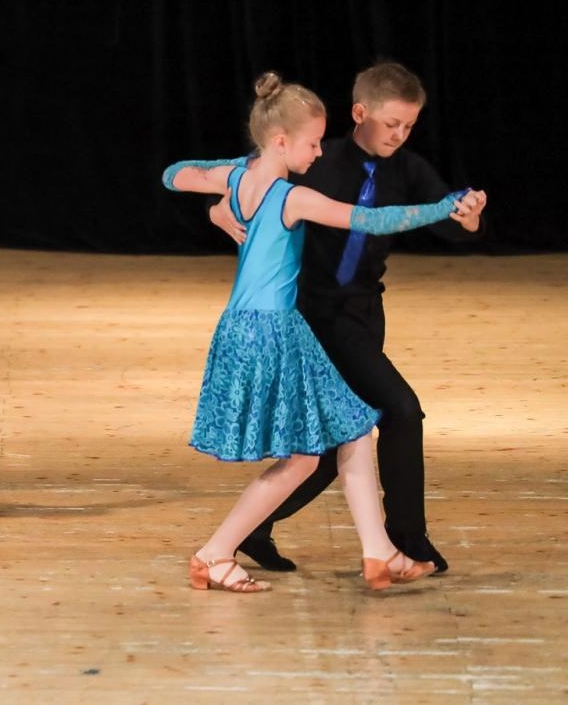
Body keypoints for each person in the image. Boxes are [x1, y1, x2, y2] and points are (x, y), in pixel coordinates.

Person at [161, 71, 477, 592]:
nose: (319, 153)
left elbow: (174, 174)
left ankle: (380, 554)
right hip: (275, 332)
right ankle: (216, 553)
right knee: (309, 455)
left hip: (238, 329)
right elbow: (373, 221)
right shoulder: (291, 197)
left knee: (350, 430)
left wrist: (224, 199)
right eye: (311, 142)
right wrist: (445, 206)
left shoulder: (238, 178)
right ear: (282, 141)